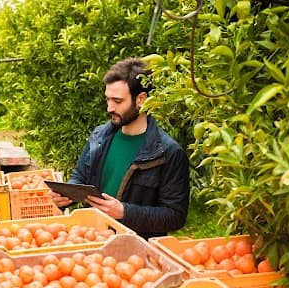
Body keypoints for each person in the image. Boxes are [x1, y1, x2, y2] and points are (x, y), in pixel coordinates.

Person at [51, 58, 190, 239]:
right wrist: (66, 196)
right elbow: (80, 176)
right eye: (108, 99)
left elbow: (174, 216)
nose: (109, 107)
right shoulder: (100, 136)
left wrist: (125, 212)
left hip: (136, 251)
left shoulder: (167, 153)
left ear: (141, 100)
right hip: (92, 239)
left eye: (117, 101)